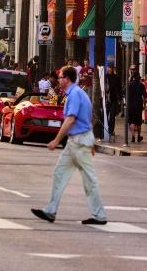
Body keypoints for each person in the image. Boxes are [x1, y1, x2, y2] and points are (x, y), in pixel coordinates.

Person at [31, 65, 107, 225]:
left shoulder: (74, 95)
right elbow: (86, 119)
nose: (58, 80)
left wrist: (56, 140)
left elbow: (70, 119)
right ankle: (50, 210)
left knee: (89, 179)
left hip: (79, 142)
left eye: (60, 77)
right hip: (76, 142)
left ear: (67, 79)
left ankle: (99, 216)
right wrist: (91, 143)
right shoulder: (77, 93)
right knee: (60, 173)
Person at [126, 69, 146, 144]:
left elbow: (125, 94)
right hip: (138, 105)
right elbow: (144, 96)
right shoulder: (141, 85)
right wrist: (144, 105)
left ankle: (133, 136)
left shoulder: (129, 85)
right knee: (138, 122)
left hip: (131, 105)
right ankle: (139, 136)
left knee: (131, 121)